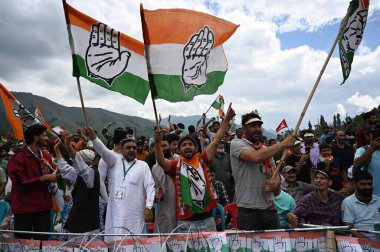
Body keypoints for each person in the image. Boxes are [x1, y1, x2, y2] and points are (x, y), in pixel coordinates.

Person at [154, 103, 235, 232]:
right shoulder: (175, 166)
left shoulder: (202, 160)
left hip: (207, 219)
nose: (187, 146)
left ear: (195, 148)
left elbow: (216, 140)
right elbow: (161, 161)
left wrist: (226, 120)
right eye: (184, 144)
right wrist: (158, 143)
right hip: (185, 222)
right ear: (179, 150)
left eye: (190, 144)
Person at [87, 127, 155, 241]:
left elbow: (150, 186)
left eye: (134, 147)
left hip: (135, 212)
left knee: (135, 241)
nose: (132, 150)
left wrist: (149, 207)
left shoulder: (143, 165)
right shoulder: (114, 161)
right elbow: (102, 150)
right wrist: (93, 137)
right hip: (115, 210)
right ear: (122, 150)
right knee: (116, 238)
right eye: (128, 147)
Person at [230, 111, 295, 230]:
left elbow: (276, 175)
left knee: (275, 246)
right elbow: (255, 157)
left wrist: (275, 183)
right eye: (253, 126)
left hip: (270, 209)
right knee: (250, 248)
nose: (257, 129)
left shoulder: (265, 149)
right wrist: (282, 144)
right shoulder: (237, 144)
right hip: (248, 211)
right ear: (244, 129)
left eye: (259, 126)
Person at [8, 124, 57, 240]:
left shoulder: (46, 156)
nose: (46, 138)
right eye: (44, 136)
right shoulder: (18, 159)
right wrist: (44, 178)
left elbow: (51, 174)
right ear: (36, 137)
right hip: (24, 210)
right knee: (23, 245)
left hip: (44, 209)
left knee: (42, 244)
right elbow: (21, 185)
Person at [54, 132, 100, 239]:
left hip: (89, 224)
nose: (75, 162)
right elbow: (65, 168)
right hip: (77, 221)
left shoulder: (92, 173)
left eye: (77, 160)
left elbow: (82, 167)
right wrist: (57, 149)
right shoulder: (77, 174)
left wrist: (69, 146)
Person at [341, 170, 380, 241]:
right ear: (355, 184)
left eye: (370, 184)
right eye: (363, 184)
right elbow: (349, 228)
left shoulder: (378, 200)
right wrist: (369, 242)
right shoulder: (348, 202)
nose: (367, 187)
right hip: (361, 241)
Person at [151, 135, 178, 233]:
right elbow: (154, 188)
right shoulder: (155, 167)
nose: (162, 149)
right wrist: (157, 194)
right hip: (164, 207)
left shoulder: (179, 161)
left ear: (170, 146)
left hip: (180, 206)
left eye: (164, 145)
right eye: (159, 146)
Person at [98, 127, 127, 203]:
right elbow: (100, 181)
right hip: (113, 200)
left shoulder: (128, 158)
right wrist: (107, 201)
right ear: (123, 141)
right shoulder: (107, 157)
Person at [353, 124, 380, 196]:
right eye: (376, 133)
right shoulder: (363, 150)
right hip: (372, 197)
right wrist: (372, 148)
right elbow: (356, 165)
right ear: (368, 136)